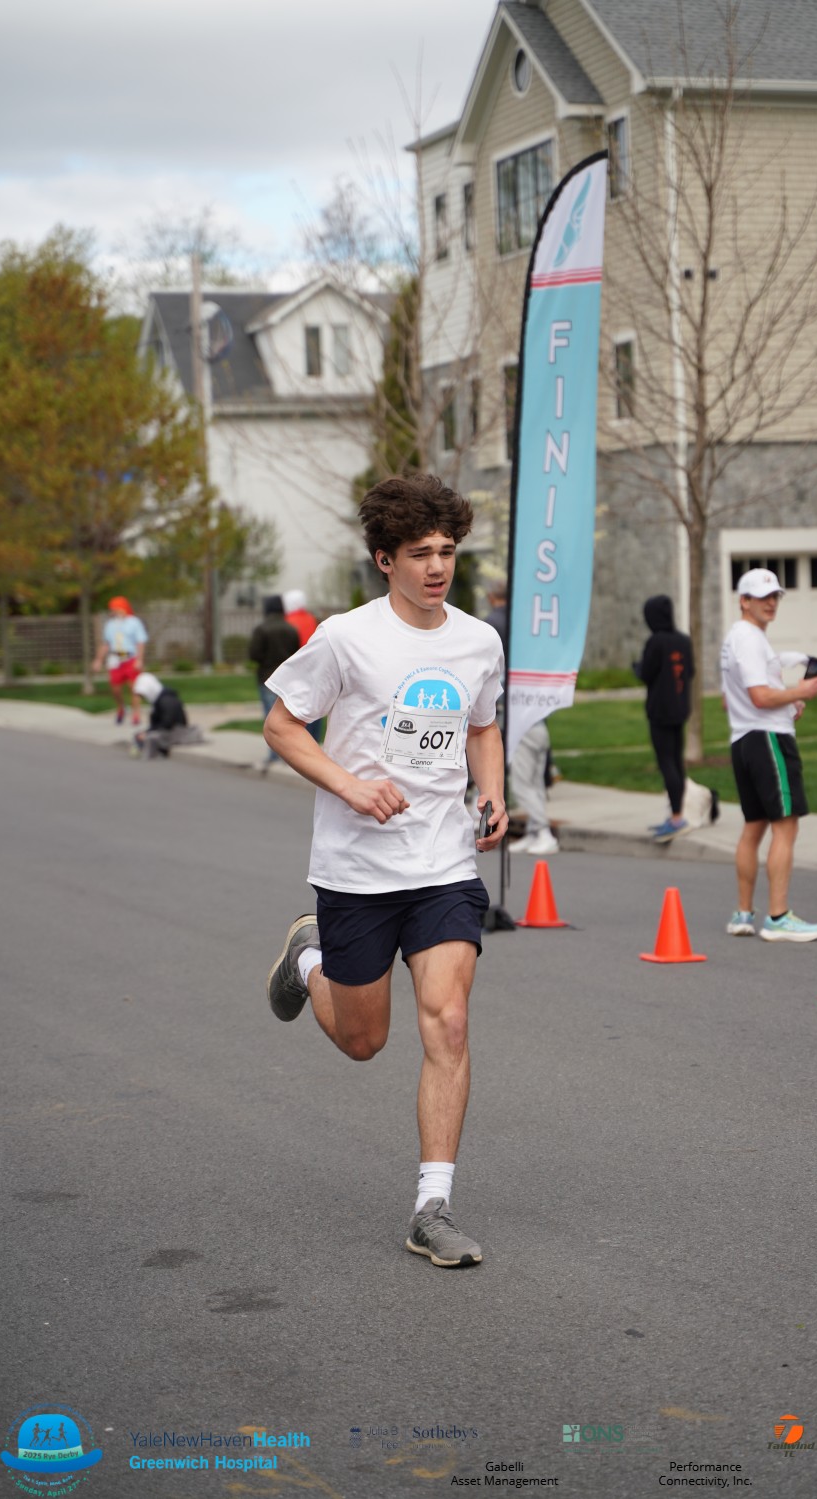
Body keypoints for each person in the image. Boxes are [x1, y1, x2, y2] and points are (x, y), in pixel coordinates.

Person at [262, 474, 507, 1268]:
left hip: (442, 861)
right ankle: (309, 959)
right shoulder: (346, 638)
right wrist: (352, 786)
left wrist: (492, 792)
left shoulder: (479, 641)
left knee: (450, 1021)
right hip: (357, 870)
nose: (437, 567)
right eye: (419, 553)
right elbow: (282, 725)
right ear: (384, 560)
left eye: (447, 551)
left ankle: (432, 1207)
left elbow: (482, 726)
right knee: (364, 1040)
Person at [720, 567, 817, 941]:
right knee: (786, 825)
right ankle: (778, 918)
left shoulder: (736, 638)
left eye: (775, 596)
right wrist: (800, 693)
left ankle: (742, 913)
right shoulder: (749, 638)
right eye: (762, 597)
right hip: (767, 739)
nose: (770, 603)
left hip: (744, 739)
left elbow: (732, 698)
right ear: (744, 601)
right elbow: (760, 697)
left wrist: (787, 702)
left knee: (754, 827)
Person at [484, 580, 559, 856]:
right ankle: (535, 832)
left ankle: (543, 832)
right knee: (534, 781)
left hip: (522, 721)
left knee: (522, 784)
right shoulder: (523, 626)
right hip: (535, 719)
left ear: (491, 596)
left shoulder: (492, 627)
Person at [636, 594, 695, 842]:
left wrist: (637, 668)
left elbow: (646, 673)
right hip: (680, 708)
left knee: (666, 762)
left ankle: (677, 818)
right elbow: (690, 671)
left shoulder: (656, 642)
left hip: (660, 711)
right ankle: (676, 813)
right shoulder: (684, 640)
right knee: (677, 760)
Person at [248, 597, 299, 767]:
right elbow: (297, 652)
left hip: (268, 677)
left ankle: (274, 755)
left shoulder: (262, 629)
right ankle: (290, 755)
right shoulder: (291, 629)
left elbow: (254, 654)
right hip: (287, 678)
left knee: (271, 718)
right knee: (288, 719)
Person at [90, 596, 148, 725]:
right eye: (112, 609)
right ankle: (121, 707)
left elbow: (140, 642)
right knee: (115, 689)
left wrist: (139, 659)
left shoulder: (134, 622)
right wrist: (98, 660)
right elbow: (106, 644)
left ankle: (136, 714)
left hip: (130, 658)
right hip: (115, 659)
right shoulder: (110, 625)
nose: (114, 612)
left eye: (116, 609)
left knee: (134, 688)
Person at [283, 588, 324, 745]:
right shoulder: (312, 619)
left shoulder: (288, 621)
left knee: (297, 711)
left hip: (298, 671)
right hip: (316, 669)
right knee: (315, 709)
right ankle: (314, 741)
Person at [130, 672, 205, 759]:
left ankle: (152, 753)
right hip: (168, 729)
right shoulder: (158, 700)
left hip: (175, 731)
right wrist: (147, 732)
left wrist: (148, 733)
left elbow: (167, 723)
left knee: (151, 737)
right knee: (140, 735)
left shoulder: (166, 700)